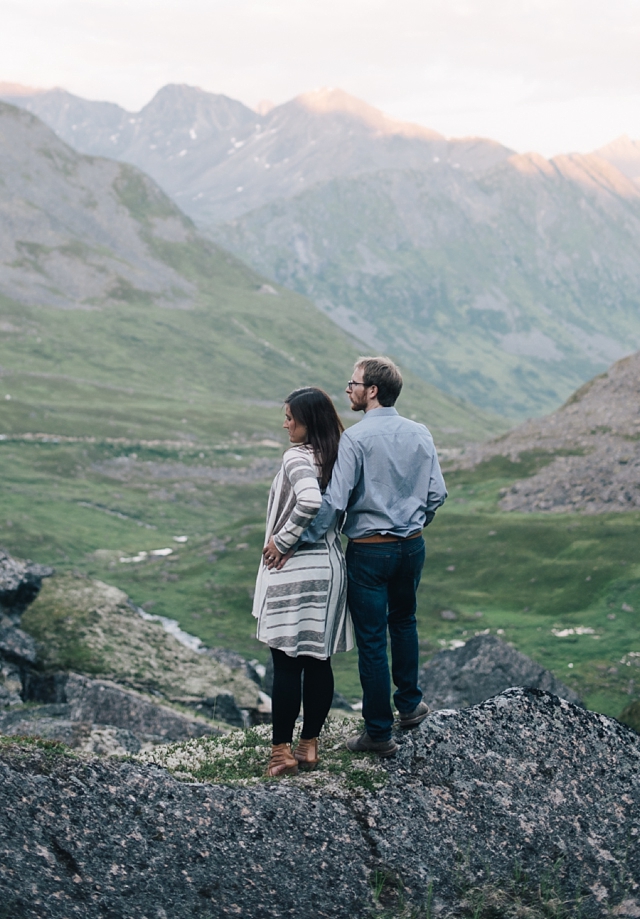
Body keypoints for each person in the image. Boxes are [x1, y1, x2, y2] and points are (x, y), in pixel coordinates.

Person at [290, 357, 447, 757]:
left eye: (354, 383)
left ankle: (378, 733)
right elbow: (437, 495)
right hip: (412, 546)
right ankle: (410, 706)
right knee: (405, 621)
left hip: (370, 551)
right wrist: (412, 524)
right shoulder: (420, 432)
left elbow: (335, 502)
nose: (348, 389)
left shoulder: (356, 440)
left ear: (372, 390)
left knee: (373, 641)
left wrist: (300, 538)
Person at [252, 387, 354, 777]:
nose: (285, 424)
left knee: (286, 661)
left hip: (294, 570)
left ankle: (281, 754)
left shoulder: (297, 456)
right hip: (329, 569)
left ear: (308, 421)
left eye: (290, 418)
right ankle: (309, 745)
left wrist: (282, 539)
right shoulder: (339, 456)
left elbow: (308, 501)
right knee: (318, 659)